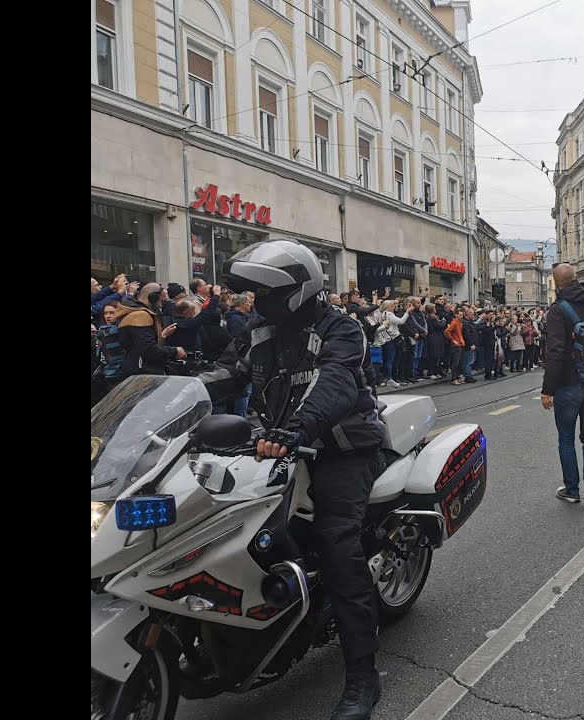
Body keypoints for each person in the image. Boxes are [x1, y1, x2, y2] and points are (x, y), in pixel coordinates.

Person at [199, 240, 387, 720]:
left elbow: (335, 384)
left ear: (298, 290)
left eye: (266, 293)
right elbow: (225, 374)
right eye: (254, 294)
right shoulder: (259, 330)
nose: (257, 302)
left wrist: (295, 430)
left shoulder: (341, 329)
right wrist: (173, 394)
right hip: (280, 445)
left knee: (336, 541)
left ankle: (362, 678)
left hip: (342, 447)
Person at [541, 263, 584, 505]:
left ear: (557, 285)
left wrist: (548, 389)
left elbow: (555, 352)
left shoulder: (558, 310)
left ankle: (571, 489)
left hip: (568, 384)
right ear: (577, 279)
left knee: (566, 438)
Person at [116, 282, 185, 377]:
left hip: (137, 371)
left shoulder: (136, 314)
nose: (162, 304)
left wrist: (162, 336)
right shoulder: (140, 316)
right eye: (161, 299)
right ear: (153, 297)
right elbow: (148, 350)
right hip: (142, 373)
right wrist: (175, 351)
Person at [446, 311, 466, 385]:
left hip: (460, 344)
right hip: (456, 345)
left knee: (459, 362)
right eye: (460, 315)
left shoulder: (460, 323)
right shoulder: (454, 322)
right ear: (456, 315)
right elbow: (447, 331)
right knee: (456, 362)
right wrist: (453, 340)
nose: (461, 316)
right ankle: (454, 378)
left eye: (462, 315)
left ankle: (457, 377)